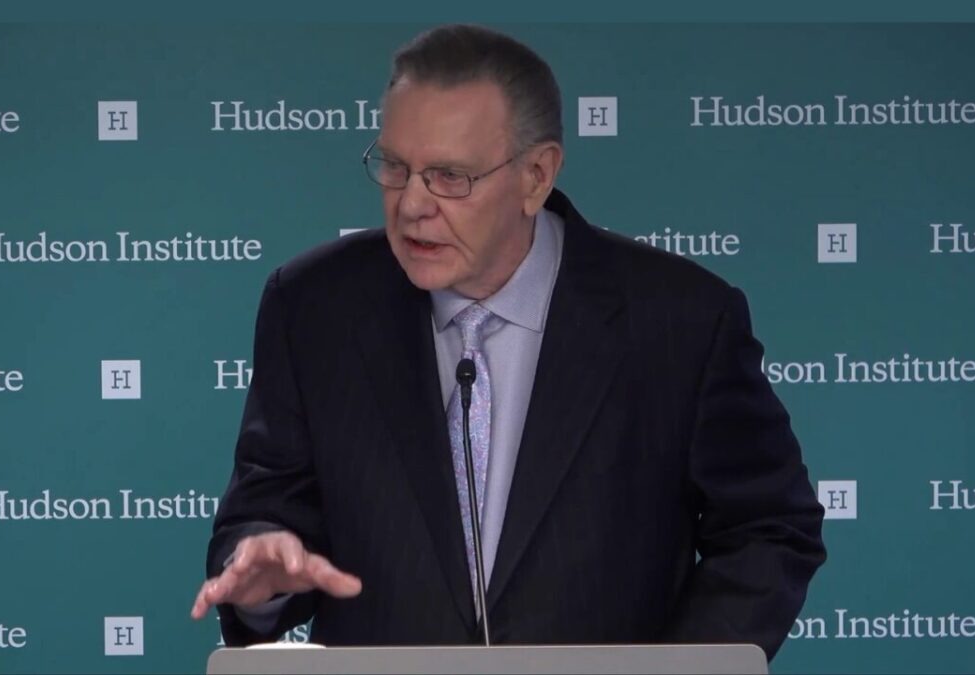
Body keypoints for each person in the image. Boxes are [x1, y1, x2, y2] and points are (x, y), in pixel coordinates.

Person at [190, 24, 825, 659]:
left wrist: (681, 670)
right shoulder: (314, 306)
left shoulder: (679, 320)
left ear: (535, 176)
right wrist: (261, 565)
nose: (411, 205)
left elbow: (769, 526)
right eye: (396, 167)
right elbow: (268, 504)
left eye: (449, 176)